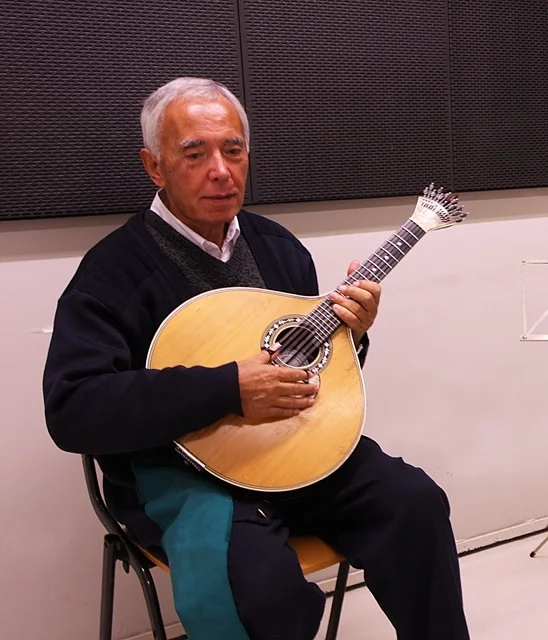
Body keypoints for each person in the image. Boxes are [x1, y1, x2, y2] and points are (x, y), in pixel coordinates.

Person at [42, 77, 470, 640]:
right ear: (154, 166)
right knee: (259, 592)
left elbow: (310, 367)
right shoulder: (112, 273)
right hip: (180, 471)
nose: (220, 169)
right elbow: (73, 409)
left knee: (414, 505)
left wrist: (352, 336)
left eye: (233, 150)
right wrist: (226, 388)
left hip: (294, 448)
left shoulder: (276, 247)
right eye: (194, 154)